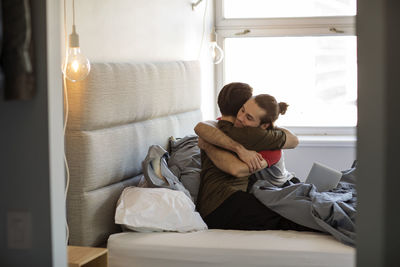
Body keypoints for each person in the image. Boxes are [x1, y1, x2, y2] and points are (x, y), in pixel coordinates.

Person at [195, 83, 311, 231]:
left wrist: (206, 145)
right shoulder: (251, 134)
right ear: (239, 107)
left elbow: (199, 127)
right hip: (225, 203)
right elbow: (293, 140)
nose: (242, 117)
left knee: (291, 211)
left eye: (248, 116)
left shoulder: (214, 128)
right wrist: (238, 148)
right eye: (243, 111)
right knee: (292, 217)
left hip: (212, 204)